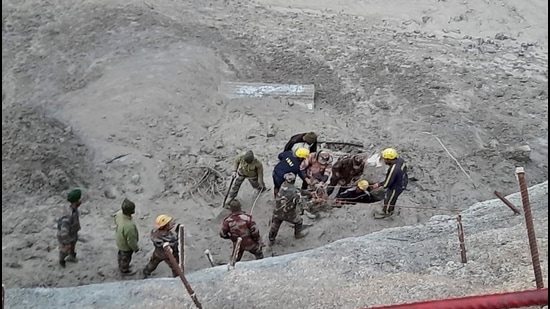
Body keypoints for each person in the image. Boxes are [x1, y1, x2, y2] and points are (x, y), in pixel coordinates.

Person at [268, 173, 310, 244]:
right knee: (299, 221)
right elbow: (301, 203)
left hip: (277, 211)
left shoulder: (282, 186)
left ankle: (271, 239)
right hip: (289, 214)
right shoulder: (295, 192)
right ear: (294, 180)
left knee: (275, 225)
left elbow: (298, 191)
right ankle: (298, 234)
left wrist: (307, 192)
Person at [371, 148, 408, 218]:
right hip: (403, 181)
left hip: (396, 187)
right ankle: (391, 208)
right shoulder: (400, 160)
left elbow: (387, 184)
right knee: (394, 198)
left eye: (385, 159)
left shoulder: (393, 169)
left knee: (389, 199)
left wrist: (378, 185)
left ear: (389, 159)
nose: (384, 160)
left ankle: (387, 212)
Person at [57, 188, 83, 268]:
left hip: (73, 233)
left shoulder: (73, 209)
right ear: (76, 201)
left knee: (73, 245)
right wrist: (66, 242)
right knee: (65, 250)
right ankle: (62, 260)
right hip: (66, 236)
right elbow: (64, 230)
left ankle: (72, 256)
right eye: (80, 199)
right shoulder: (68, 214)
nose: (81, 200)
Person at [114, 198, 139, 276]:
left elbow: (115, 220)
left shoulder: (119, 214)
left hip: (120, 241)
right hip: (126, 247)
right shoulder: (129, 226)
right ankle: (124, 270)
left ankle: (121, 265)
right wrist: (135, 248)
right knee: (126, 258)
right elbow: (131, 240)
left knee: (120, 255)